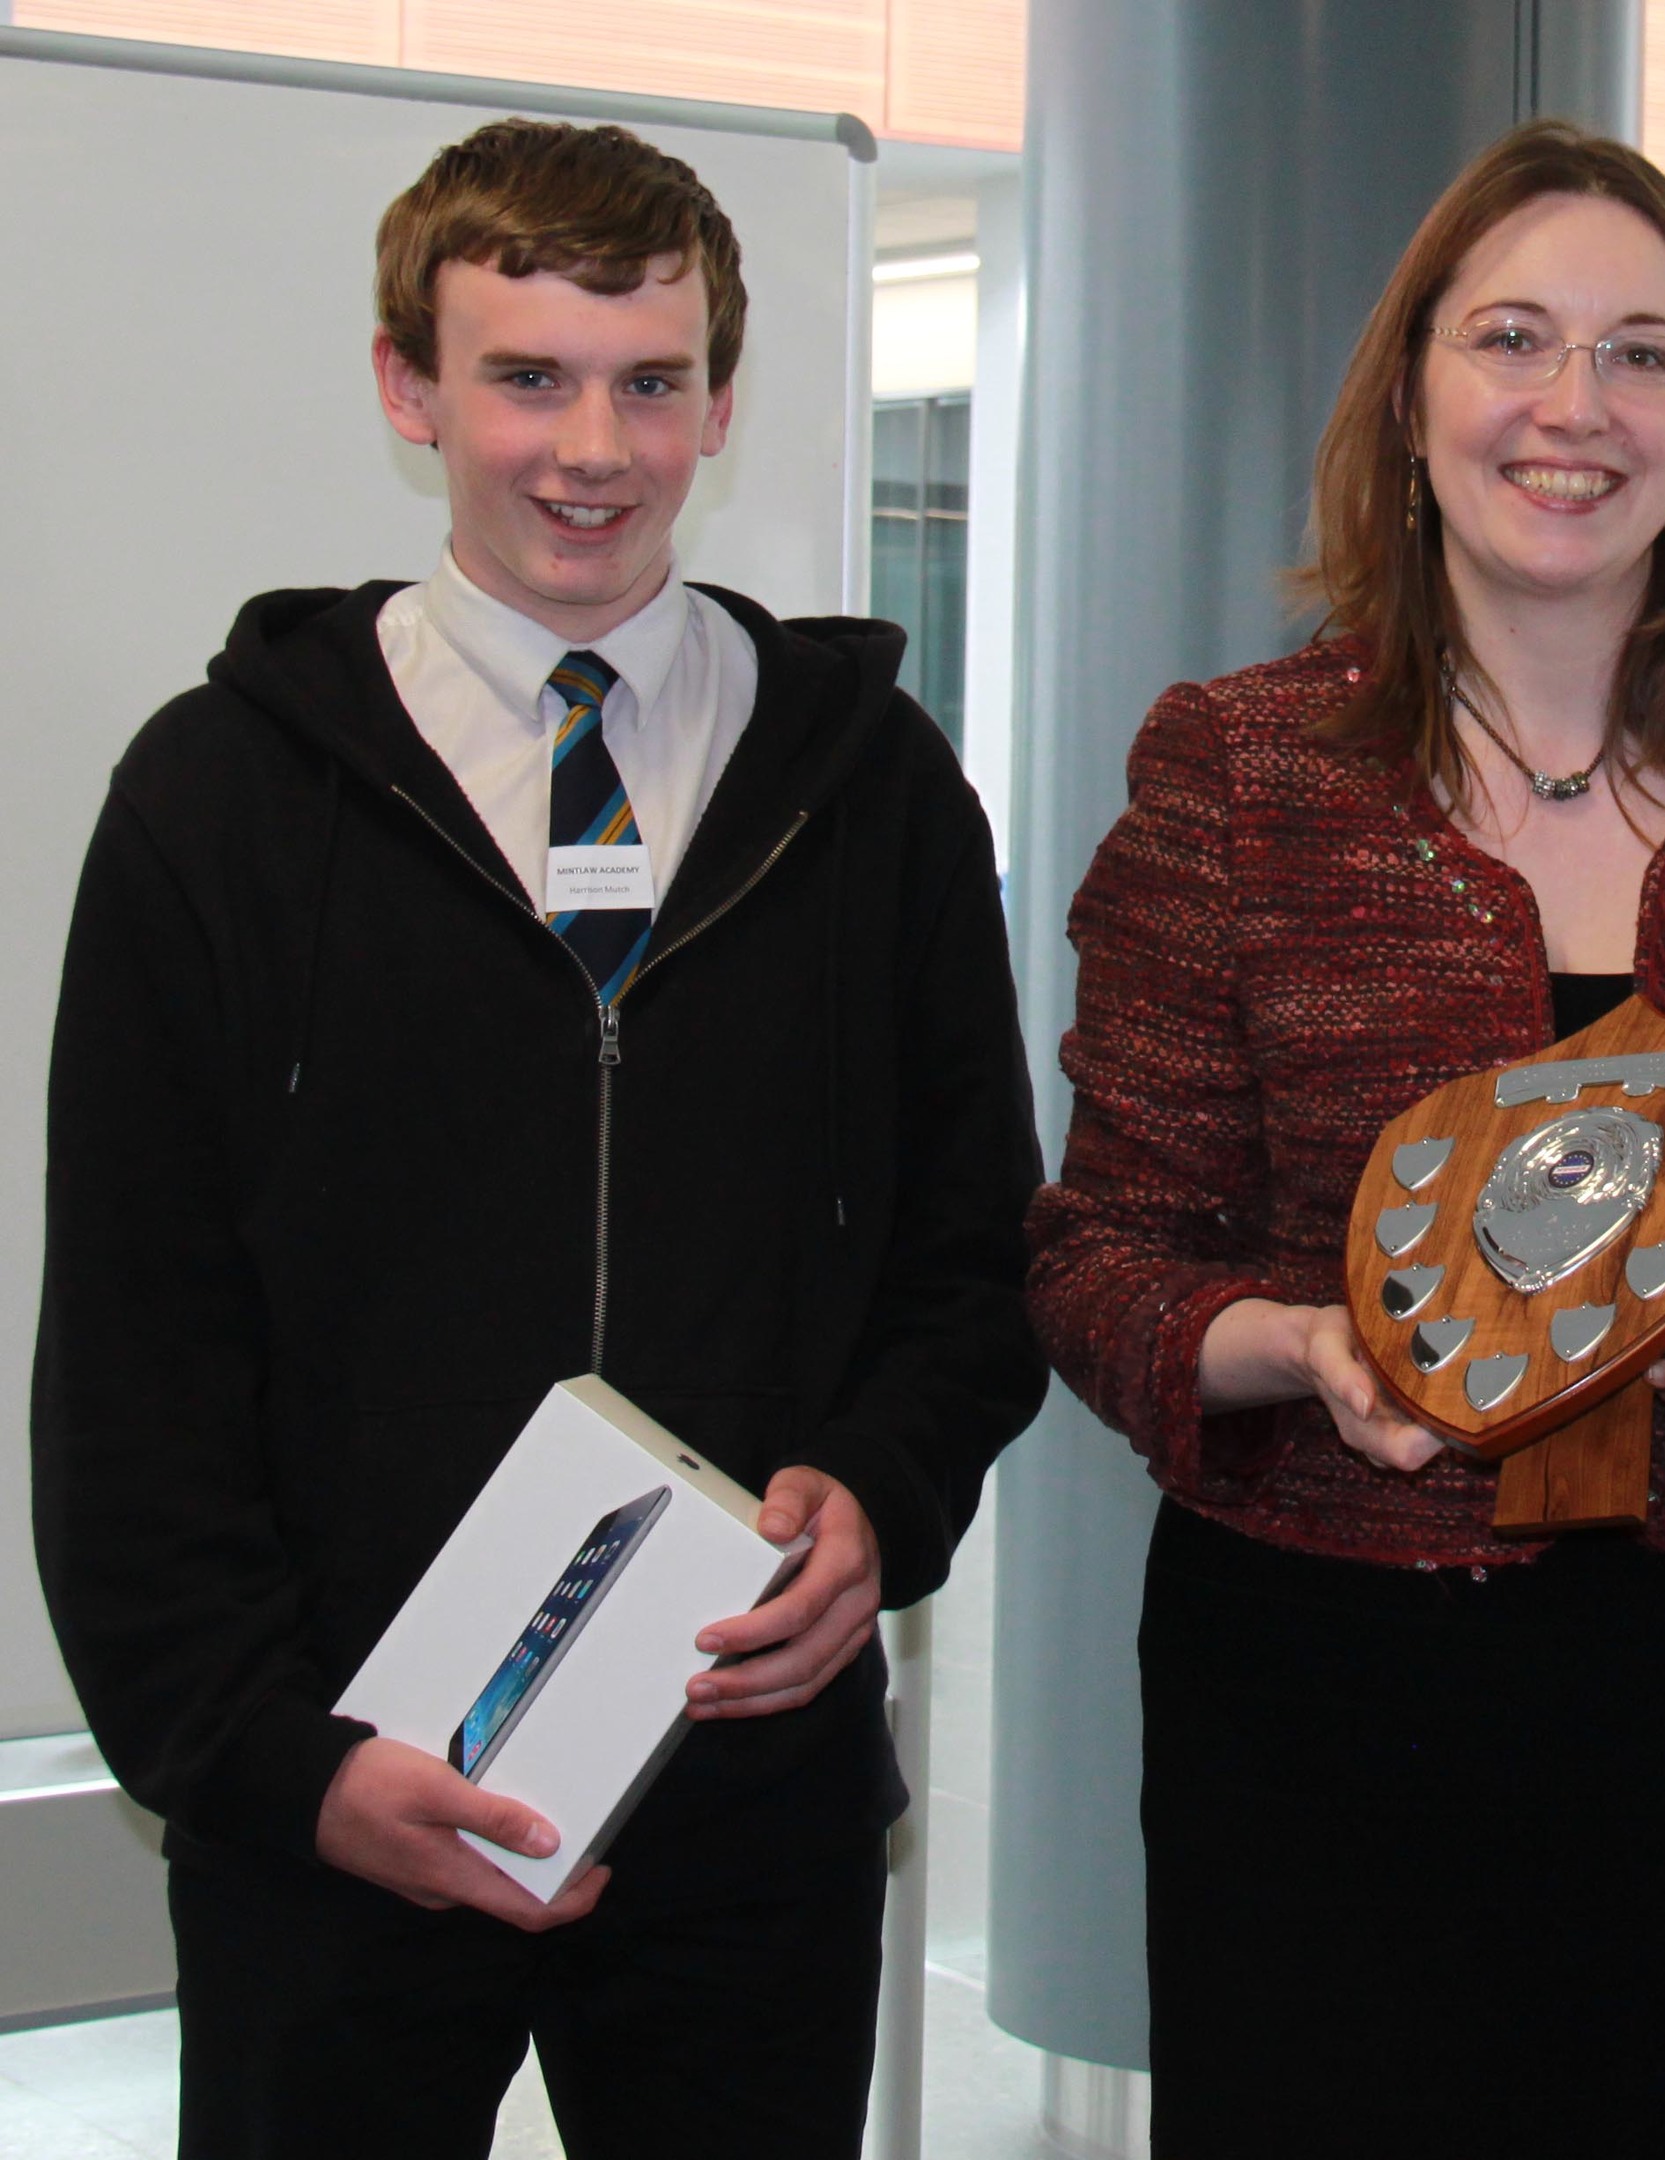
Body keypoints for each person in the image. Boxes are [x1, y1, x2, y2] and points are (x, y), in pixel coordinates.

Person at [30, 119, 1045, 2158]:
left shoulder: (872, 794)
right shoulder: (217, 797)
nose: (593, 444)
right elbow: (136, 1351)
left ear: (722, 401)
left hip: (745, 1802)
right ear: (410, 389)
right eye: (526, 376)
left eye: (651, 381)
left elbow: (977, 1259)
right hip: (343, 1803)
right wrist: (273, 1761)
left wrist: (878, 1488)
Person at [1024, 119, 1665, 2158]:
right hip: (1314, 1683)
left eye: (1644, 354)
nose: (1574, 407)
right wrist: (1311, 1353)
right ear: (1415, 390)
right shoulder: (1241, 767)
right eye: (1514, 338)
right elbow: (1102, 1257)